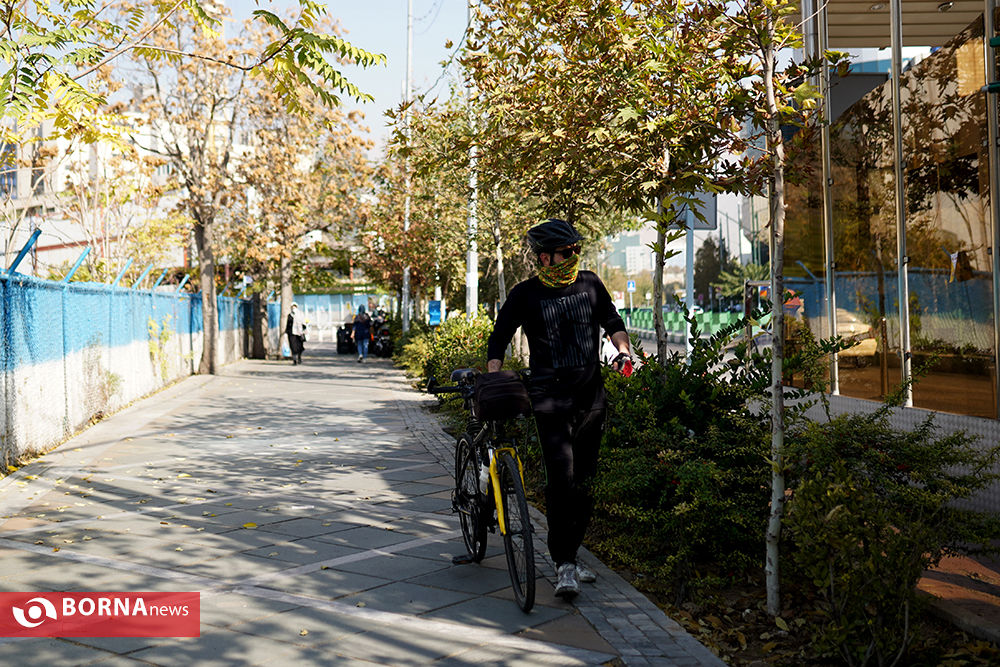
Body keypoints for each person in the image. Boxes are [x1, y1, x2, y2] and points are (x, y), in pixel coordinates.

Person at [486, 218, 632, 600]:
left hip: (590, 400)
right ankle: (563, 562)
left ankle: (572, 552)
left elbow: (612, 320)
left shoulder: (590, 284)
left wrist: (623, 350)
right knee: (562, 480)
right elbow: (500, 336)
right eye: (565, 252)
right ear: (544, 258)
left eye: (574, 250)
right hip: (549, 401)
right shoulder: (525, 294)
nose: (572, 257)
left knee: (584, 482)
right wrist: (493, 374)